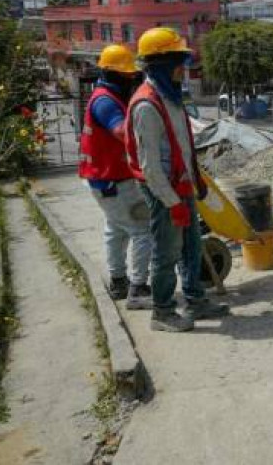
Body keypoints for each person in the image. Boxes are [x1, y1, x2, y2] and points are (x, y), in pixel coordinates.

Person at [126, 27, 229, 332]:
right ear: (162, 64)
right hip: (162, 191)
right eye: (178, 64)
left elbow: (182, 143)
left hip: (181, 184)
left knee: (191, 247)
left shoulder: (169, 97)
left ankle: (195, 300)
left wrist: (196, 179)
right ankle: (162, 312)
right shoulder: (147, 105)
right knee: (167, 252)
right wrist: (172, 203)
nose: (183, 71)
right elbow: (150, 167)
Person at [78, 44, 153, 310]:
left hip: (104, 179)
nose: (131, 79)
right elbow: (122, 132)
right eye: (127, 75)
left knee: (116, 229)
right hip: (113, 180)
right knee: (142, 230)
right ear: (113, 74)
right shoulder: (106, 102)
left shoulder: (104, 95)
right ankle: (138, 289)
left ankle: (119, 281)